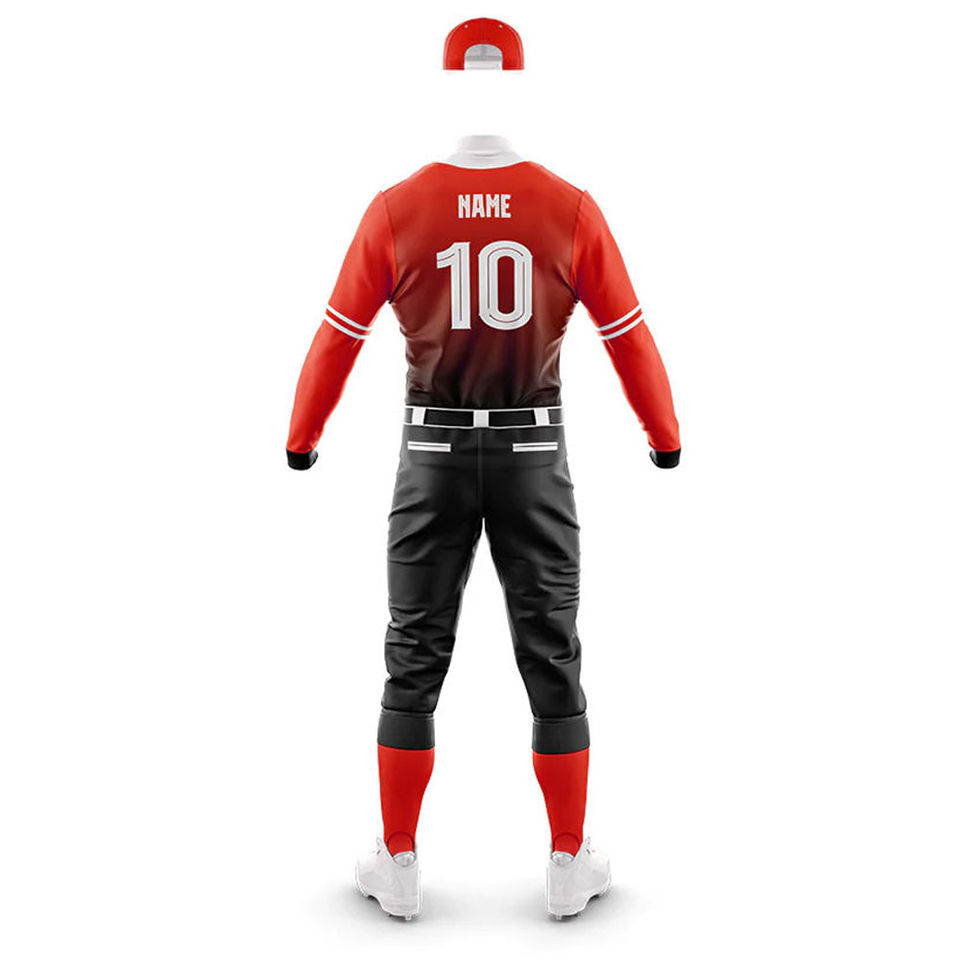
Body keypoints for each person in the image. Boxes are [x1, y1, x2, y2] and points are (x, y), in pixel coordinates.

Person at [286, 129, 680, 919]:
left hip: (430, 455)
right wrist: (664, 436)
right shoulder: (569, 208)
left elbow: (338, 335)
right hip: (532, 457)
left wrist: (302, 439)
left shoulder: (396, 209)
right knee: (552, 647)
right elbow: (627, 334)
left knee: (413, 650)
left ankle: (398, 858)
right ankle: (567, 858)